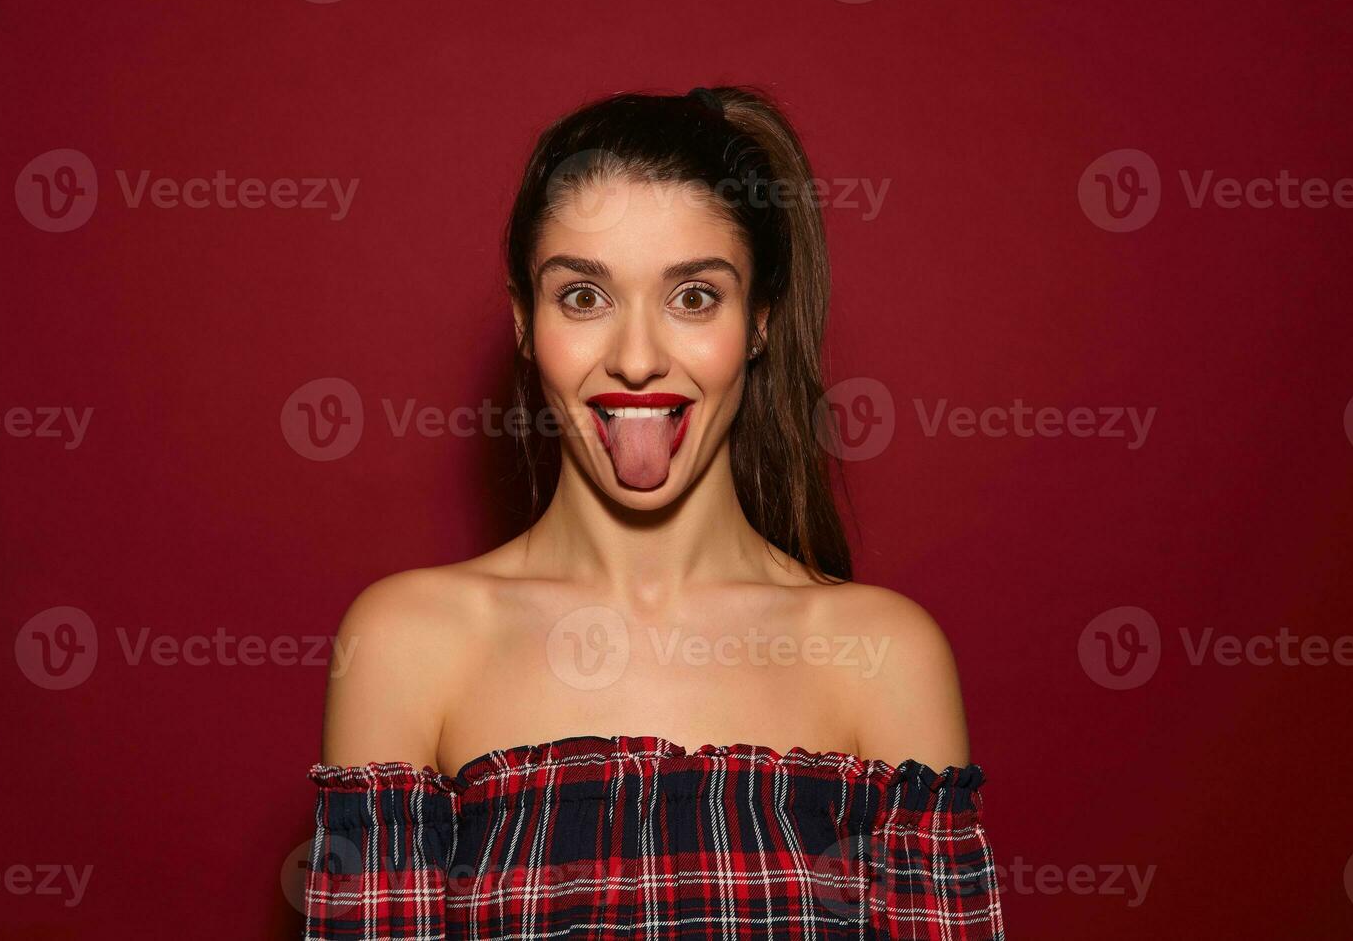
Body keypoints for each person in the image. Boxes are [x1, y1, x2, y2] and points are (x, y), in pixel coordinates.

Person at [301, 85, 1004, 939]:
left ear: (760, 323)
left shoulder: (885, 658)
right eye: (584, 298)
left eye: (695, 297)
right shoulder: (408, 644)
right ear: (525, 322)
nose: (636, 359)